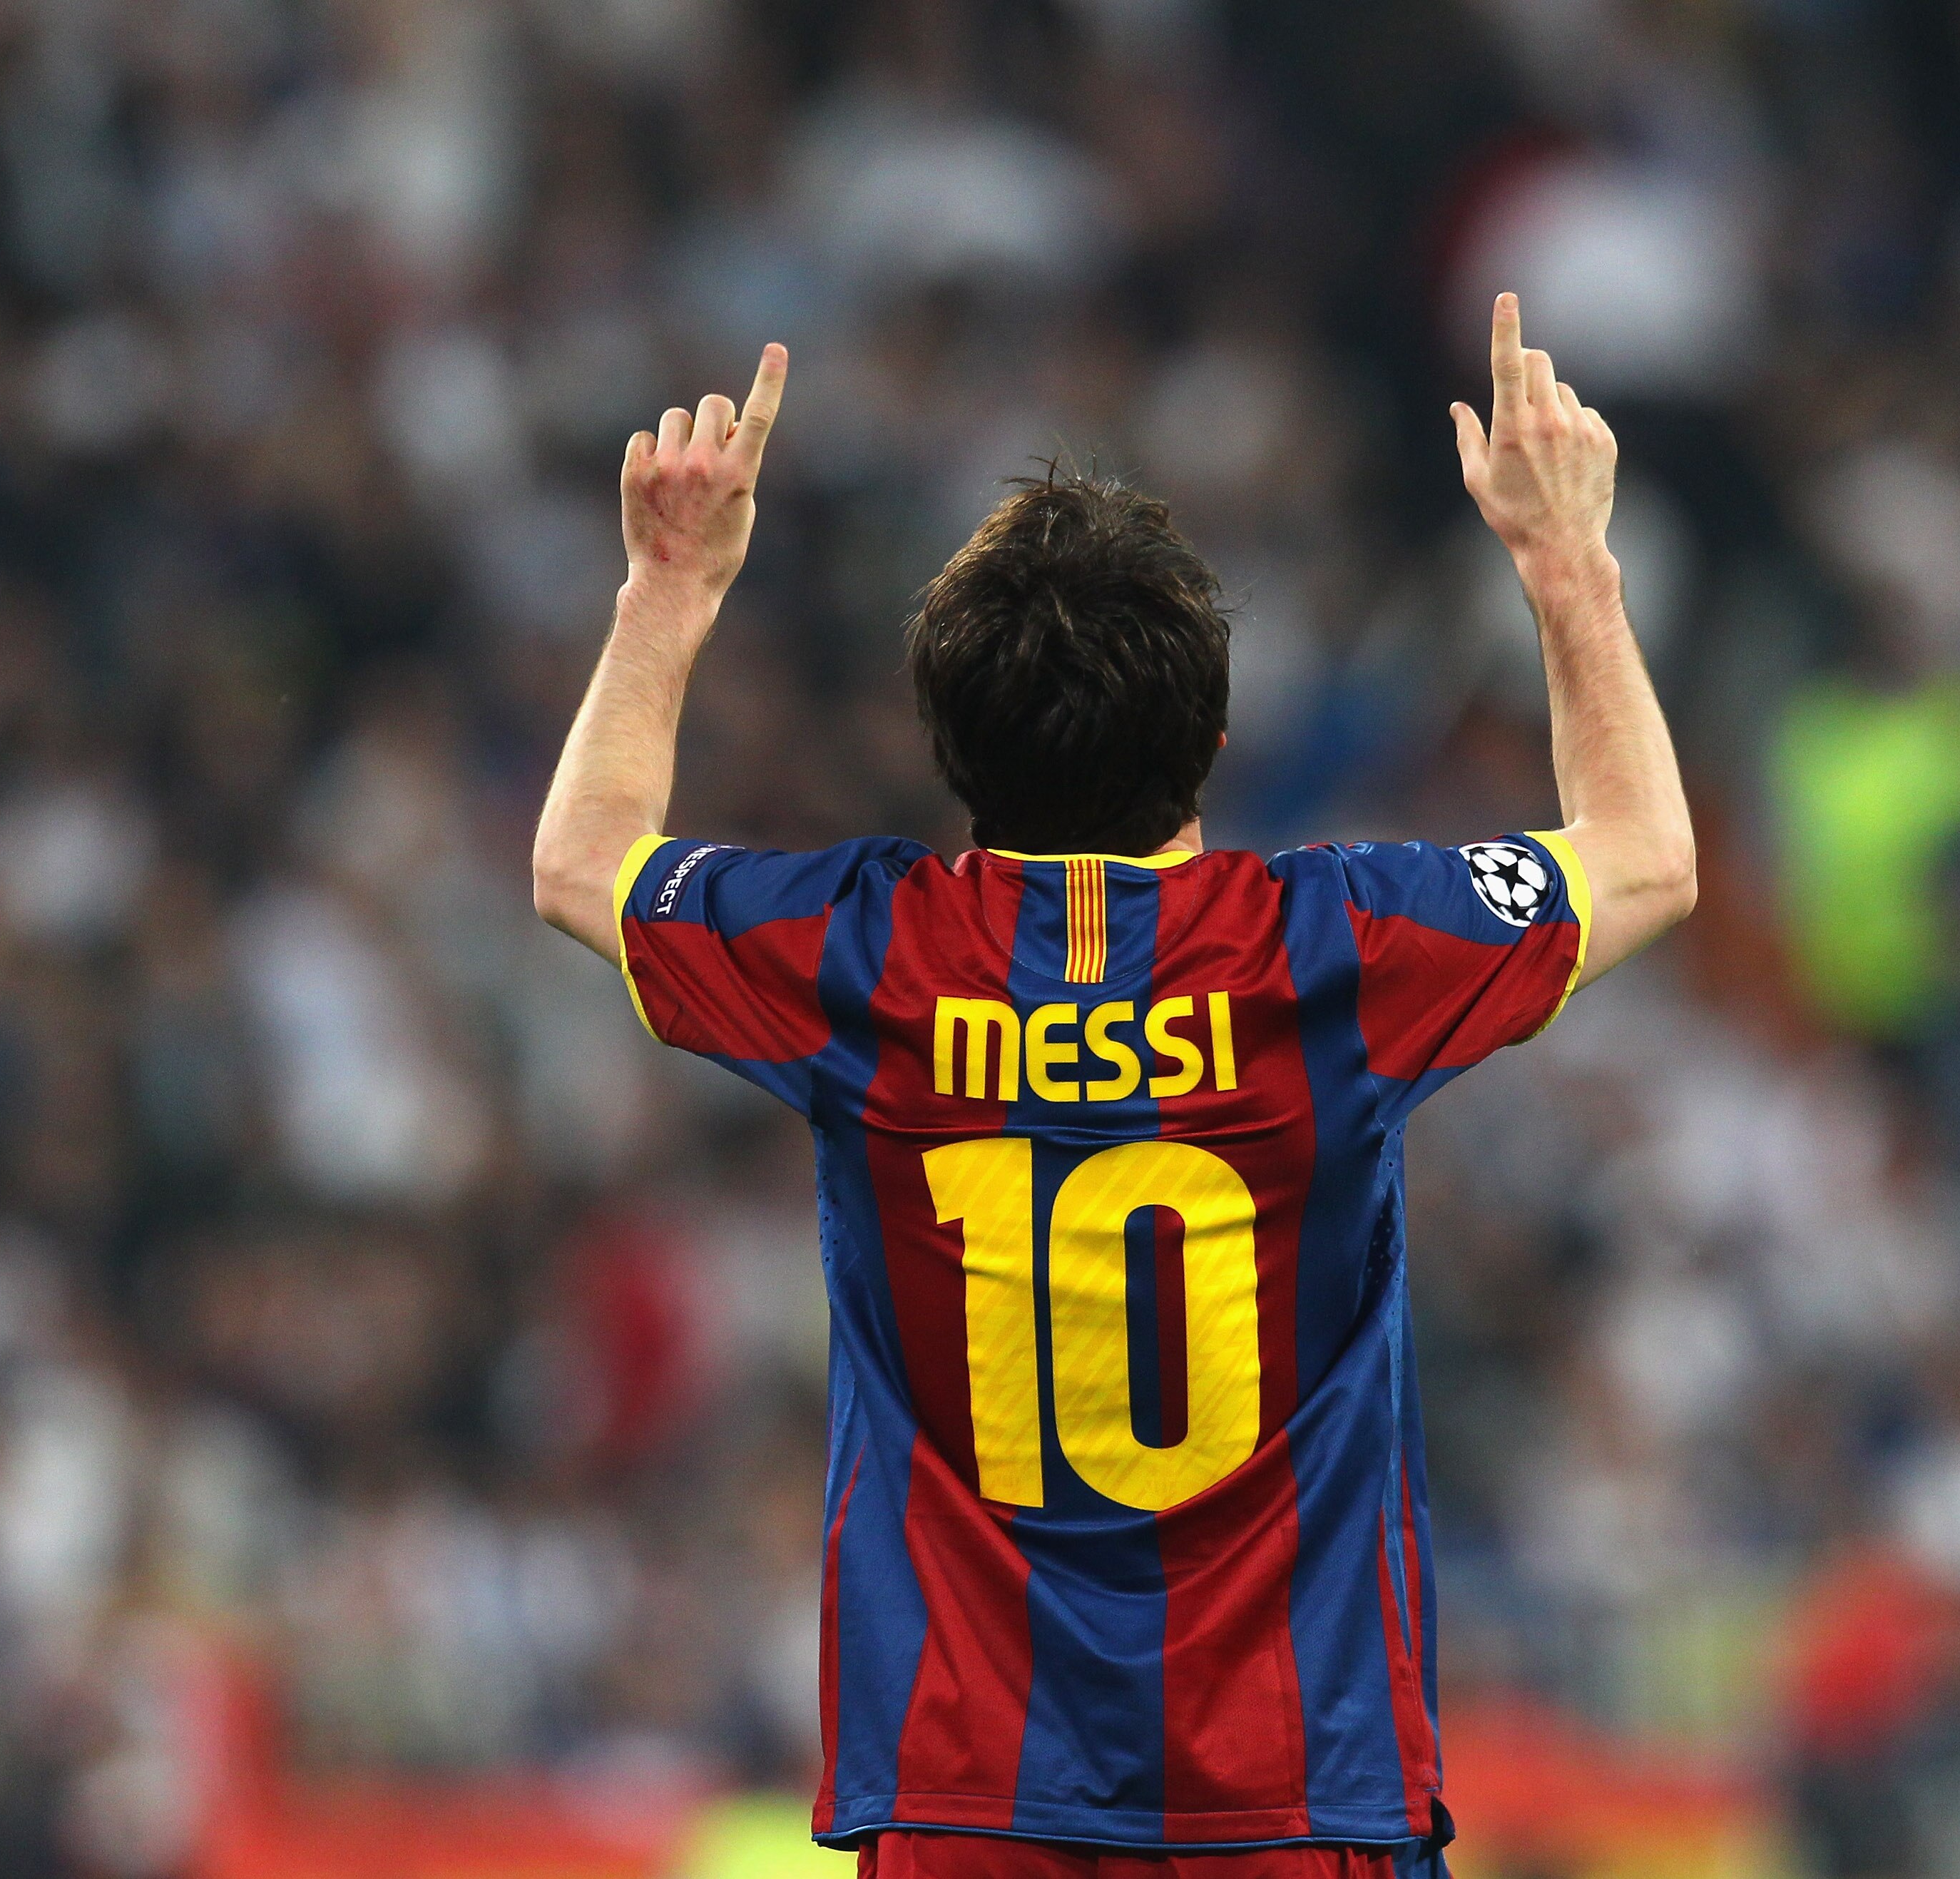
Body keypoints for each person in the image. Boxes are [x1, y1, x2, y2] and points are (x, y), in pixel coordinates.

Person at [531, 296, 1695, 1878]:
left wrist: (668, 590)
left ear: (948, 745)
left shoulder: (871, 959)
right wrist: (1568, 563)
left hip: (971, 1799)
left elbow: (580, 865)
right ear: (1212, 738)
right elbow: (1644, 861)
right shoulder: (1327, 951)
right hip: (1295, 1798)